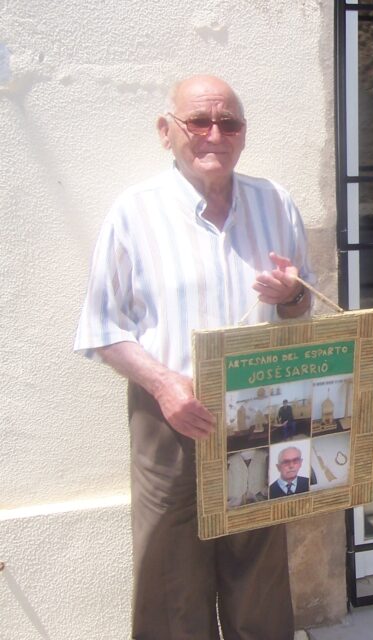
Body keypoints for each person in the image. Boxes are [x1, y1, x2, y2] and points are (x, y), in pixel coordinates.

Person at [75, 75, 312, 639]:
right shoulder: (134, 212)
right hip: (170, 416)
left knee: (258, 567)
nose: (215, 134)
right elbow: (102, 328)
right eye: (199, 121)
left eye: (229, 123)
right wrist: (163, 385)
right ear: (167, 131)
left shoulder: (276, 202)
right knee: (170, 573)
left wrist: (291, 295)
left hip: (259, 411)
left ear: (243, 133)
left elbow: (304, 304)